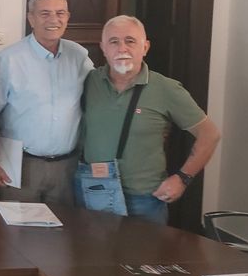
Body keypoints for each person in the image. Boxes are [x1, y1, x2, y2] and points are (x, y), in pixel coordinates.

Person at [0, 0, 93, 276]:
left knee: (61, 242)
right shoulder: (9, 59)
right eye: (44, 13)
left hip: (66, 165)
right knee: (17, 243)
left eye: (60, 12)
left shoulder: (80, 57)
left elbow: (94, 103)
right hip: (20, 164)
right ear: (30, 18)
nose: (53, 19)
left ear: (68, 16)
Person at [79, 15, 220, 223]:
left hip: (145, 200)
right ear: (103, 48)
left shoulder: (166, 89)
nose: (122, 48)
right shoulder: (89, 82)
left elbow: (209, 135)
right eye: (114, 42)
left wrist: (182, 178)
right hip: (93, 193)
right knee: (90, 246)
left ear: (145, 47)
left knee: (145, 247)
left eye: (130, 41)